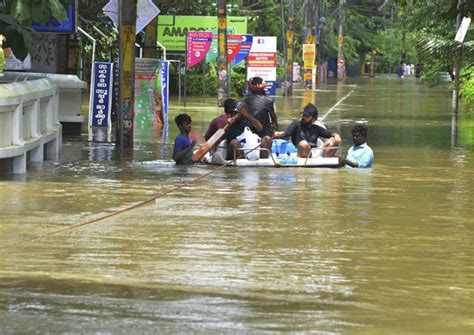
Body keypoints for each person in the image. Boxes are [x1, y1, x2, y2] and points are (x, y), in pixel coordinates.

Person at [273, 103, 341, 158]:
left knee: (333, 140)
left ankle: (325, 162)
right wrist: (276, 134)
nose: (304, 117)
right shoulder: (296, 124)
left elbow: (329, 133)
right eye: (303, 115)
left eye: (307, 116)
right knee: (303, 144)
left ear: (314, 118)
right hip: (302, 152)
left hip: (315, 152)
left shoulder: (317, 128)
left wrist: (336, 135)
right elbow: (286, 133)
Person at [244, 77, 278, 158]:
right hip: (263, 134)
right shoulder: (268, 101)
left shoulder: (246, 101)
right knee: (267, 137)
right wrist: (275, 128)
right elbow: (274, 119)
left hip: (249, 135)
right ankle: (264, 157)